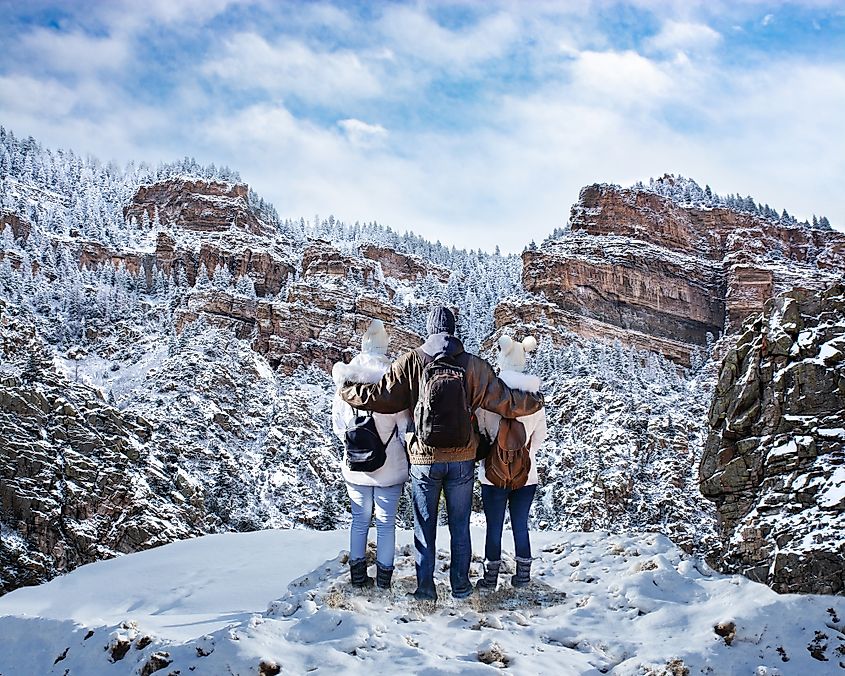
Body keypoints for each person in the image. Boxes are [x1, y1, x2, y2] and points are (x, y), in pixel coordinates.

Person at [339, 306, 543, 601]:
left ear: (429, 330)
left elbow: (380, 397)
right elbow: (506, 402)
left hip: (424, 458)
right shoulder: (475, 365)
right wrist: (535, 400)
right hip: (462, 458)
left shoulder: (410, 362)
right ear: (454, 330)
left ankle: (425, 589)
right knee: (460, 526)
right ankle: (460, 586)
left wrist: (346, 389)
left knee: (425, 525)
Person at [332, 320, 411, 590]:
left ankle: (357, 578)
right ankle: (384, 582)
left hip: (355, 467)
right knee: (387, 524)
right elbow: (404, 431)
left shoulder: (345, 385)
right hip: (390, 469)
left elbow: (339, 427)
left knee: (359, 521)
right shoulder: (393, 387)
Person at [475, 335, 547, 590]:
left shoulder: (489, 399)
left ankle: (490, 579)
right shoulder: (536, 401)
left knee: (493, 527)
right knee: (520, 526)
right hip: (526, 475)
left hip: (492, 474)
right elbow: (540, 436)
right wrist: (524, 455)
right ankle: (523, 577)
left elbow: (481, 431)